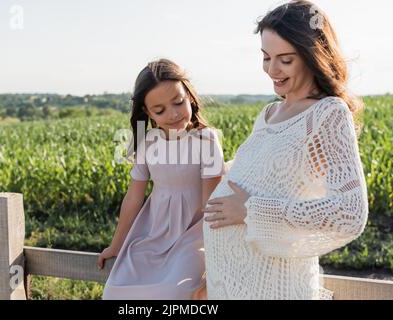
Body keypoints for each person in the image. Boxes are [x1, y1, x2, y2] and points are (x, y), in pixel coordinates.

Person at [200, 0, 369, 299]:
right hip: (232, 284)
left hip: (274, 287)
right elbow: (263, 174)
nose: (272, 69)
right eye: (266, 57)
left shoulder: (326, 115)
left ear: (311, 56)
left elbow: (349, 212)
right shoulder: (268, 115)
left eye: (285, 59)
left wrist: (251, 211)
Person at [98, 58, 225, 299]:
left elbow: (211, 204)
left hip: (193, 235)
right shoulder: (148, 143)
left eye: (178, 102)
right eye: (160, 110)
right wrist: (116, 245)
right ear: (147, 112)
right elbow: (133, 198)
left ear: (189, 96)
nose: (174, 114)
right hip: (152, 233)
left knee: (173, 291)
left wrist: (218, 259)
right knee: (115, 290)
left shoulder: (205, 140)